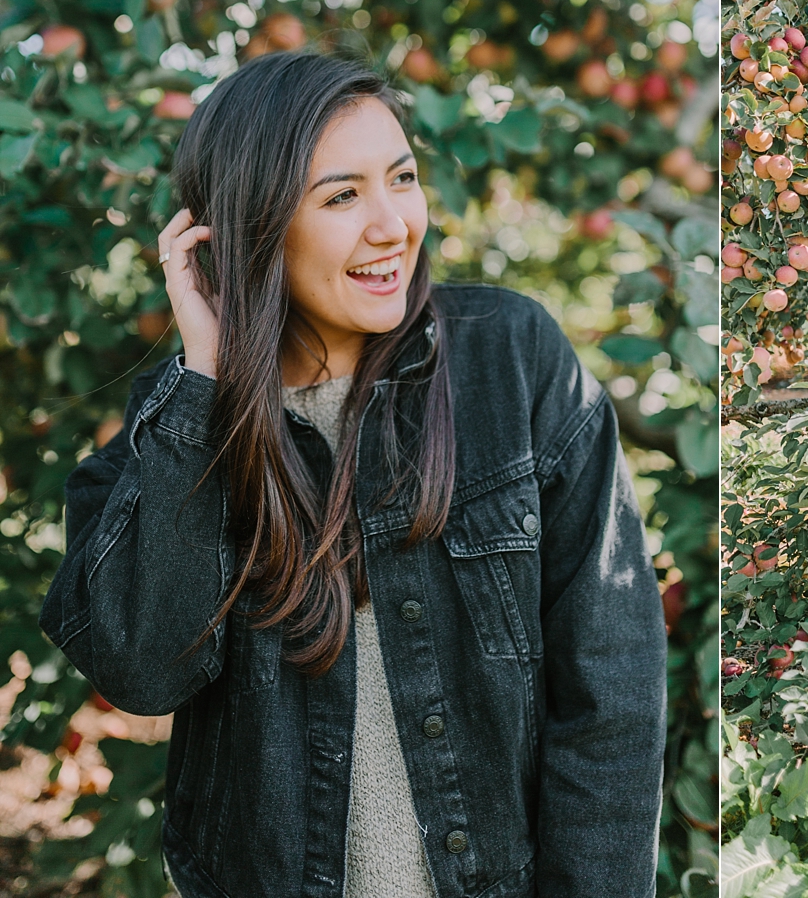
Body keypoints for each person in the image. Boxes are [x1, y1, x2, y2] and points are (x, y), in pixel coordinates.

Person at [39, 51, 668, 897]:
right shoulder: (177, 419)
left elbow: (612, 694)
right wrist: (205, 387)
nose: (392, 226)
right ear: (252, 227)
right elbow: (146, 674)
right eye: (341, 196)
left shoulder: (511, 360)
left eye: (401, 179)